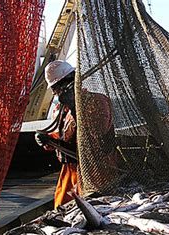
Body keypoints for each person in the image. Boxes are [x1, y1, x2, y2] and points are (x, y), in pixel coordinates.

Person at [35, 60, 117, 208]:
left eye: (59, 87)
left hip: (97, 170)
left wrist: (75, 107)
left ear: (73, 81)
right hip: (69, 171)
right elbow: (61, 135)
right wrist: (47, 141)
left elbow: (96, 137)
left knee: (96, 209)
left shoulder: (98, 101)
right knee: (61, 211)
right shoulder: (60, 109)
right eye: (55, 88)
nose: (56, 92)